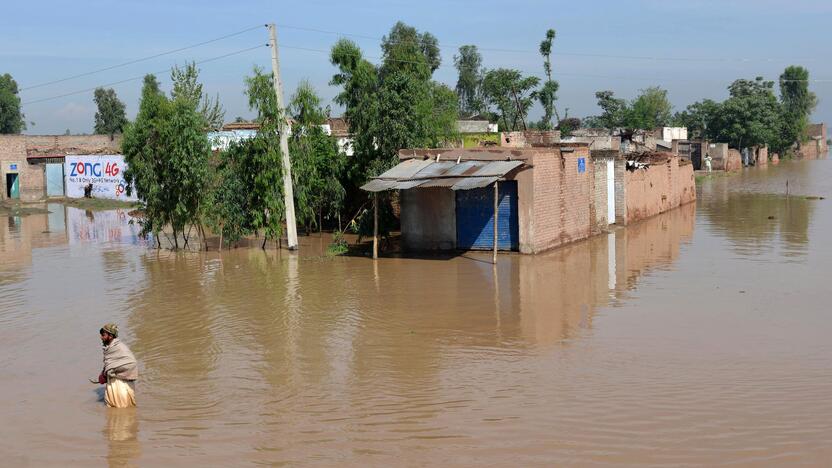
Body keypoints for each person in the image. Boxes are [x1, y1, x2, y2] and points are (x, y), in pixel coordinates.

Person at [96, 323, 138, 408]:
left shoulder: (119, 347)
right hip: (115, 381)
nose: (101, 337)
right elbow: (110, 364)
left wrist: (109, 372)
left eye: (103, 335)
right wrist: (105, 372)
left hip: (122, 383)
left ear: (110, 336)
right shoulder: (110, 348)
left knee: (122, 410)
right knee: (117, 410)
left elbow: (131, 363)